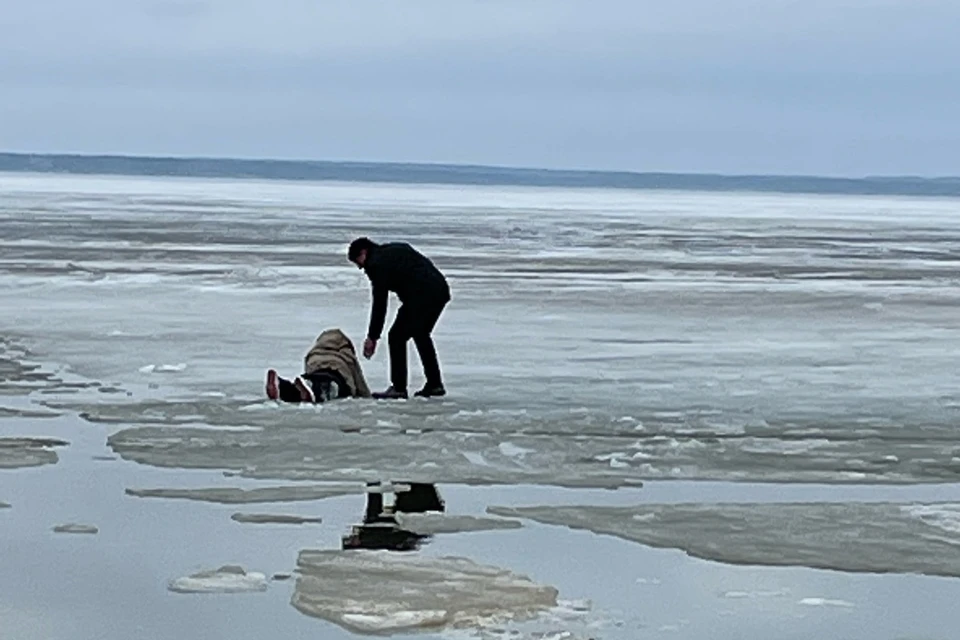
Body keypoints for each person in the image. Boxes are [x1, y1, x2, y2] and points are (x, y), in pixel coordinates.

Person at [348, 237, 450, 399]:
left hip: (421, 296)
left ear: (364, 252)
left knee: (396, 337)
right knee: (421, 334)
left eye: (358, 262)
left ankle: (399, 388)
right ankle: (435, 384)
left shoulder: (376, 264)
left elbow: (380, 303)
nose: (361, 267)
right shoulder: (393, 249)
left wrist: (372, 337)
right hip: (439, 291)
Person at [265, 328, 372, 403]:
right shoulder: (346, 354)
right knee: (326, 390)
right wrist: (367, 396)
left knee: (305, 384)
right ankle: (308, 391)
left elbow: (308, 366)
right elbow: (359, 380)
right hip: (336, 377)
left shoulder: (315, 352)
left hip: (315, 373)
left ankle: (281, 385)